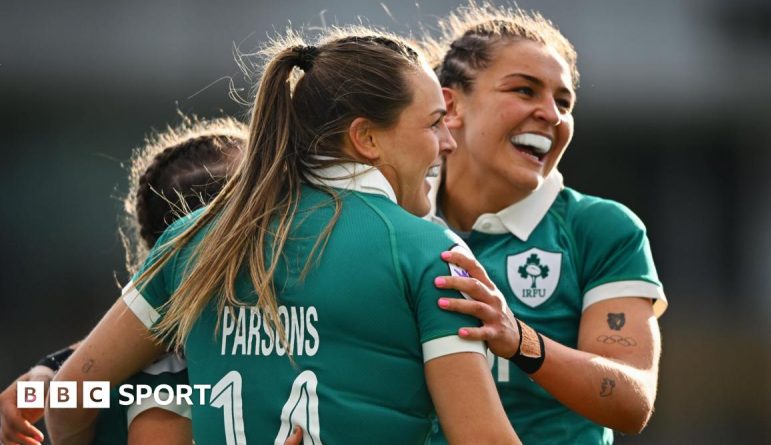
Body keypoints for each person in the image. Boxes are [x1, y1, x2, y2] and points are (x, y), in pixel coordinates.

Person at [46, 27, 520, 444]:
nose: (449, 142)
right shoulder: (432, 253)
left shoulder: (193, 238)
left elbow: (67, 394)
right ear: (367, 138)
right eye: (435, 123)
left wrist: (41, 377)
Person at [421, 3, 668, 444]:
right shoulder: (398, 222)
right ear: (450, 105)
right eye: (525, 90)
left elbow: (632, 401)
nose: (552, 115)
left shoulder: (601, 228)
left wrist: (519, 339)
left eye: (564, 101)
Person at [0, 115, 246, 445]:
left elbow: (73, 382)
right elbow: (73, 394)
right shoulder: (172, 376)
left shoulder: (169, 350)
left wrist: (47, 373)